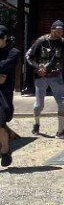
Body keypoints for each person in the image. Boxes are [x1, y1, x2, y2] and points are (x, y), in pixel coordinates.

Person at [26, 20, 64, 138]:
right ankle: (36, 124)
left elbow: (63, 57)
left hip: (56, 76)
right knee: (39, 105)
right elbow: (29, 56)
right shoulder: (41, 41)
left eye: (62, 30)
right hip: (41, 76)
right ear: (52, 29)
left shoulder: (63, 42)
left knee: (63, 102)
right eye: (58, 30)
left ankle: (60, 131)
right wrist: (37, 67)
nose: (60, 33)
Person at [0, 26, 20, 168]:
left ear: (5, 37)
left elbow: (4, 66)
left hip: (3, 93)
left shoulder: (13, 53)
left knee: (1, 122)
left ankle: (5, 150)